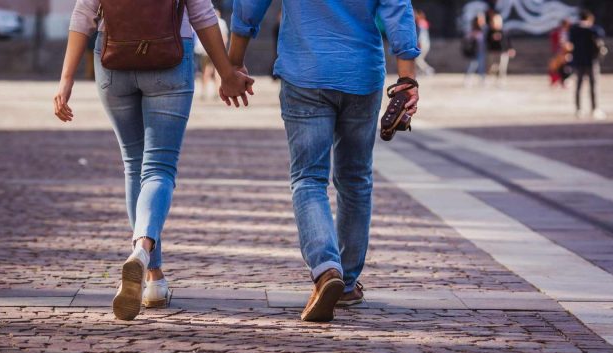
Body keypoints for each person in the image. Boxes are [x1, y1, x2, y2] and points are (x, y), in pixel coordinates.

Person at [54, 0, 254, 321]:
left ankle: (154, 279)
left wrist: (66, 80)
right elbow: (201, 12)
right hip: (169, 58)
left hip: (113, 58)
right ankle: (143, 251)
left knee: (134, 165)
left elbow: (84, 14)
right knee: (158, 168)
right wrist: (226, 71)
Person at [229, 0, 420, 322]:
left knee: (308, 178)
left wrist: (233, 61)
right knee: (356, 179)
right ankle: (345, 283)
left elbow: (249, 6)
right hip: (362, 74)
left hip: (305, 73)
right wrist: (407, 78)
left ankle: (326, 268)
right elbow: (397, 6)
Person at [568, 10, 606, 119]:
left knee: (579, 86)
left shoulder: (574, 29)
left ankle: (578, 109)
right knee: (593, 86)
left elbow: (570, 40)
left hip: (579, 61)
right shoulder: (592, 29)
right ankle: (594, 109)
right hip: (591, 61)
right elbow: (601, 33)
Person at [194, 8, 229, 100]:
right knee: (217, 72)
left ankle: (204, 92)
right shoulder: (221, 22)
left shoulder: (205, 21)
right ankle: (217, 92)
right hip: (217, 50)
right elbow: (224, 38)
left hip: (205, 50)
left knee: (206, 71)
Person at [485, 10, 515, 86]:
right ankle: (490, 79)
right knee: (492, 67)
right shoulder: (490, 31)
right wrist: (492, 38)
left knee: (502, 67)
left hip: (503, 52)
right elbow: (486, 41)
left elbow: (508, 41)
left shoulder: (504, 31)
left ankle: (501, 81)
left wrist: (510, 49)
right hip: (493, 51)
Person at [464, 13, 487, 87]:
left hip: (482, 50)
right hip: (474, 51)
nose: (481, 21)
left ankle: (482, 79)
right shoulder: (472, 30)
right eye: (480, 20)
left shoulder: (485, 29)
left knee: (481, 66)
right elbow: (467, 39)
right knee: (472, 65)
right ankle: (468, 78)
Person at [549, 19, 572, 88]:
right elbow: (557, 42)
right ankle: (556, 80)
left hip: (565, 52)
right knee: (556, 67)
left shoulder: (568, 32)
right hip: (560, 52)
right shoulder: (559, 32)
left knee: (562, 67)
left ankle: (561, 81)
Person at [414, 9, 435, 75]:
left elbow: (421, 34)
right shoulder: (423, 22)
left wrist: (419, 43)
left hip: (423, 43)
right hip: (425, 43)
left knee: (417, 59)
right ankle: (420, 71)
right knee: (418, 59)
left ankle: (428, 69)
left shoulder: (421, 23)